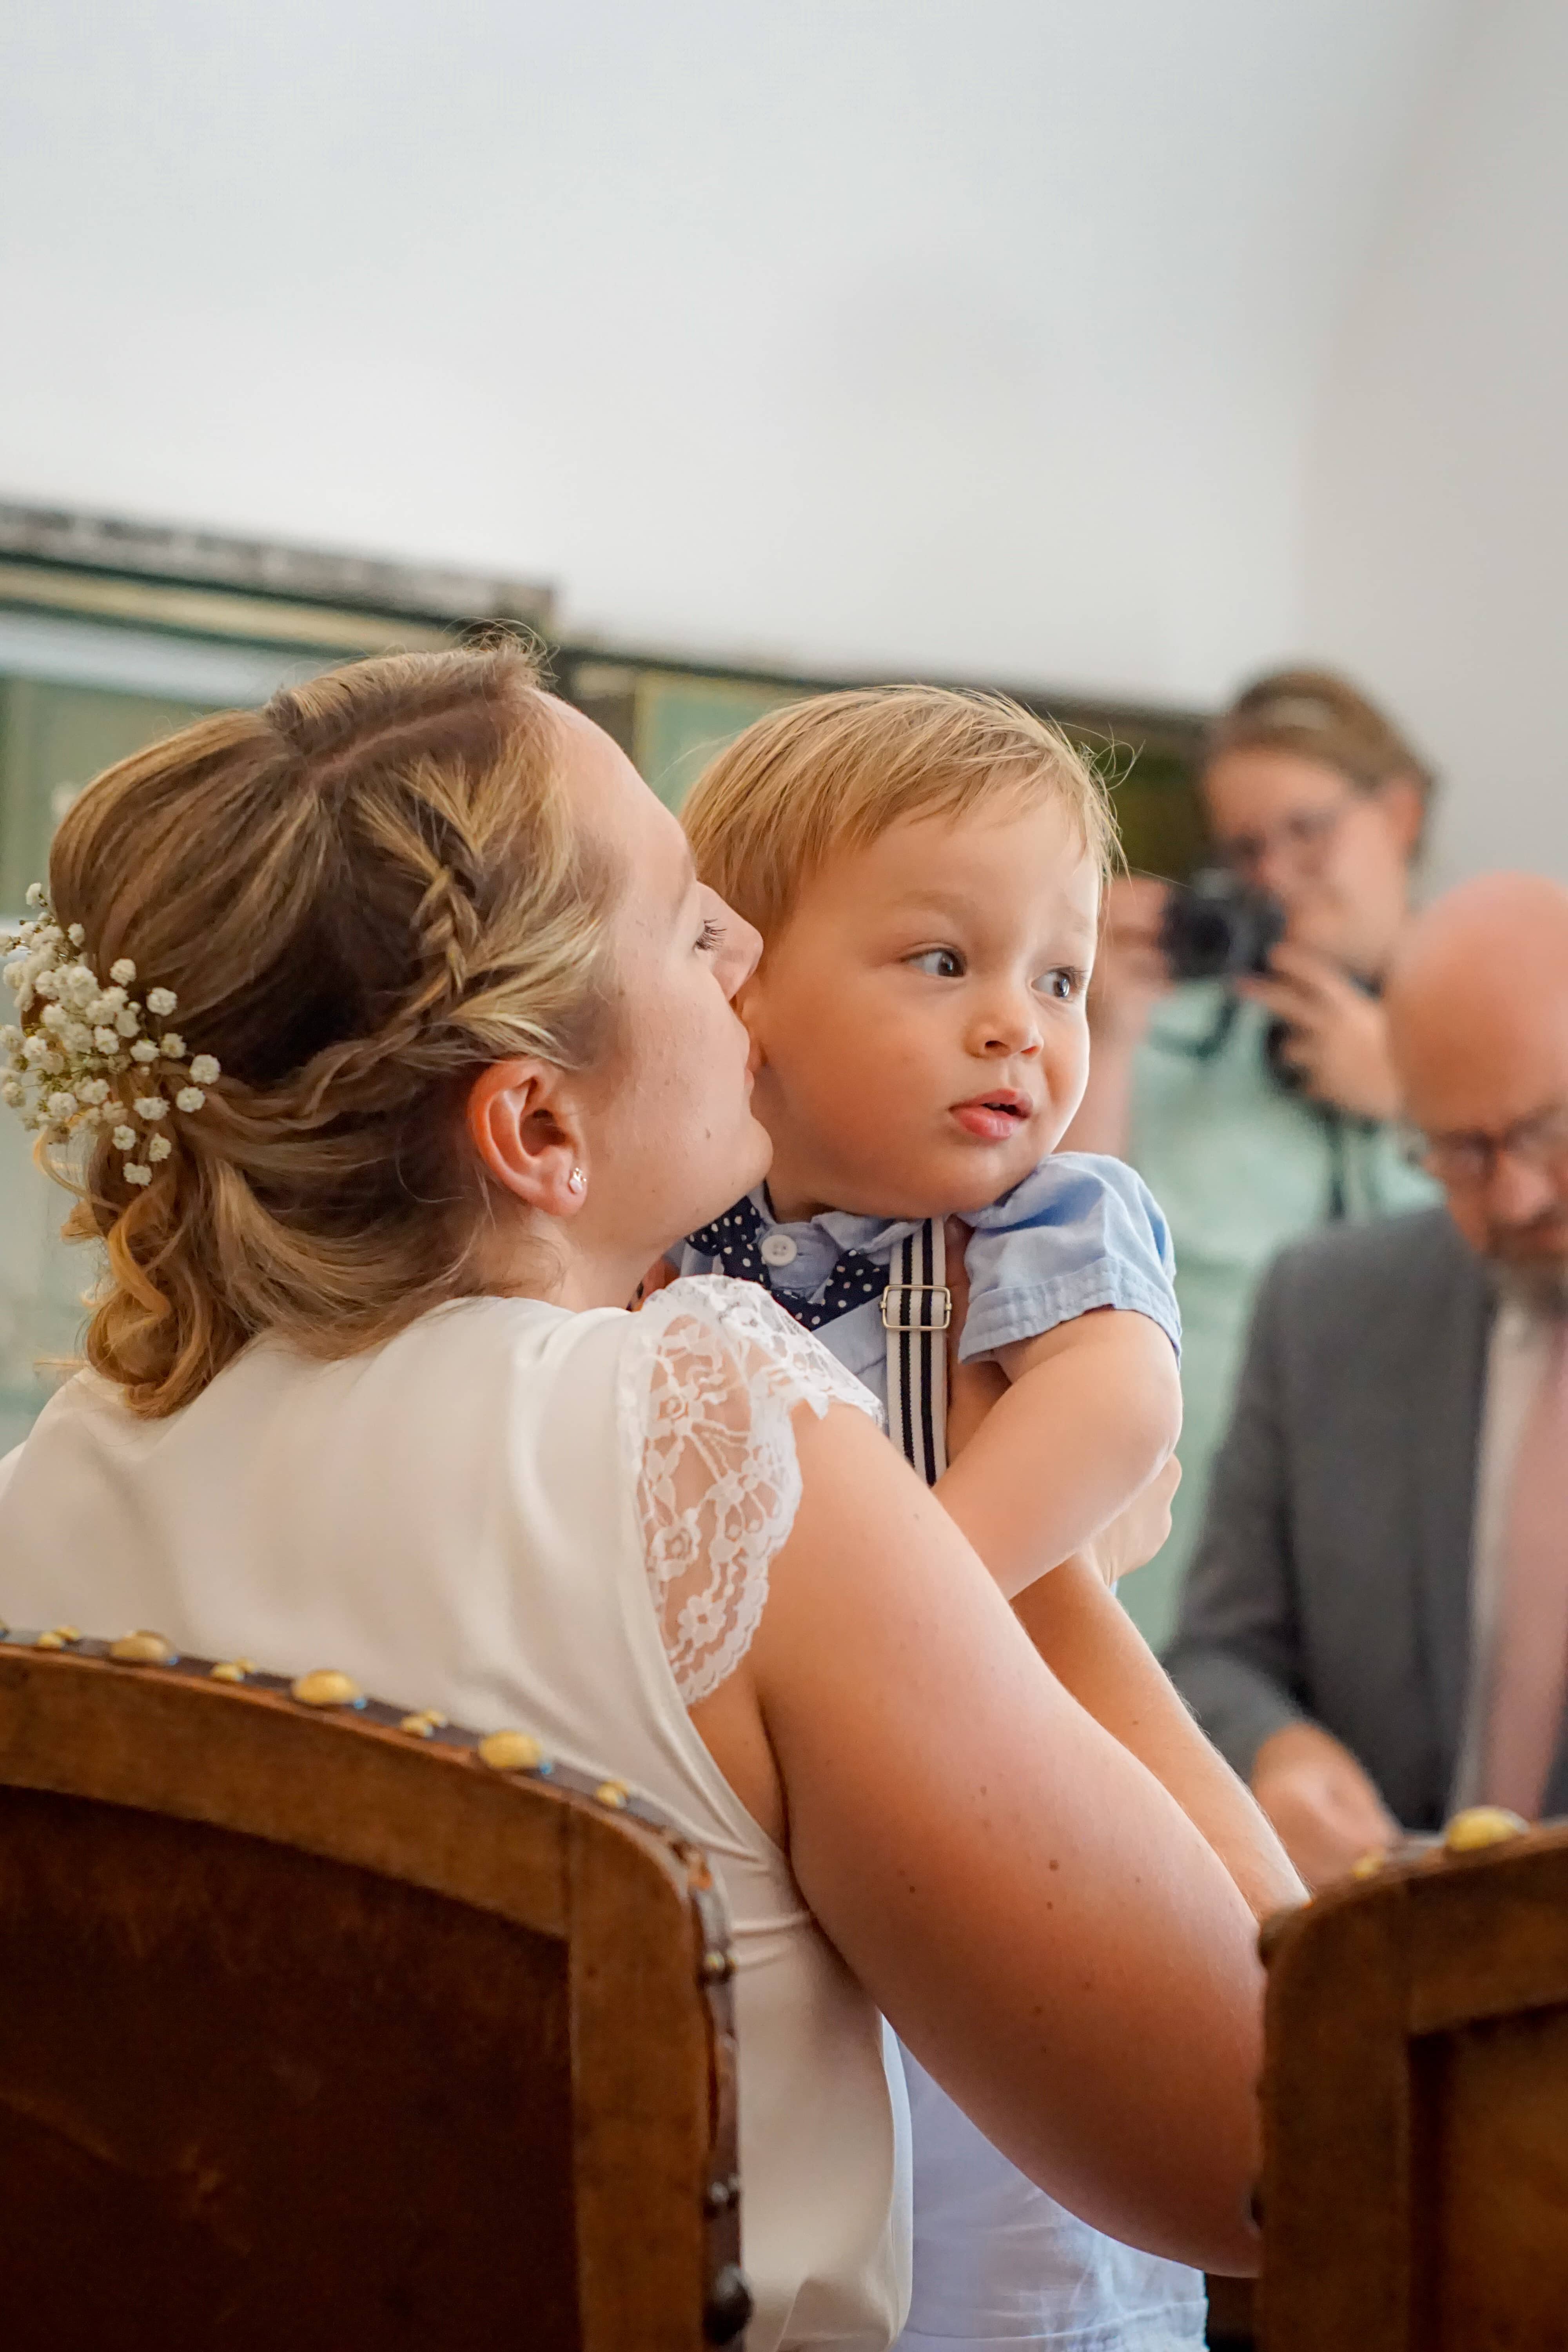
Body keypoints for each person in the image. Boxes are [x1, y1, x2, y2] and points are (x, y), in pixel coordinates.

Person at [0, 645, 1270, 2351]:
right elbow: (1277, 2135)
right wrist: (1057, 1595)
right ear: (536, 1124)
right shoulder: (716, 1437)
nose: (745, 958)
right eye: (692, 922)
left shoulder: (59, 1476)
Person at [677, 686, 1301, 2351]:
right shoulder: (679, 1220)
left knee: (1010, 2238)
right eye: (940, 962)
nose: (1020, 1026)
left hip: (990, 1825)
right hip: (770, 1879)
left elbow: (1117, 1411)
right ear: (737, 982)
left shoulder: (1047, 1213)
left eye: (1061, 975)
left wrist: (895, 1618)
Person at [1166, 873, 1568, 1888]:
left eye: (1548, 1130)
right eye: (1461, 1150)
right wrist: (1276, 1752)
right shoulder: (1325, 1310)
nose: (1514, 1194)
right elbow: (1217, 1656)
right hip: (1374, 1994)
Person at [1064, 669, 1440, 1650]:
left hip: (1395, 1560)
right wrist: (1103, 1027)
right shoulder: (1162, 1041)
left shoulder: (1489, 1043)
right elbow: (1055, 1254)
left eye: (1307, 830)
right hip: (1178, 1558)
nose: (1276, 873)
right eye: (1244, 849)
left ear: (1397, 813)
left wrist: (1409, 1098)